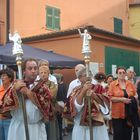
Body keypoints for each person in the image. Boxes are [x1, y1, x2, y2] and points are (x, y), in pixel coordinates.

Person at [0, 58, 53, 140]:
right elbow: (4, 103)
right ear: (24, 71)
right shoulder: (15, 85)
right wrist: (15, 91)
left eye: (35, 68)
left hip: (36, 128)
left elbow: (47, 106)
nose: (33, 71)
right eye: (30, 68)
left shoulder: (43, 87)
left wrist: (28, 93)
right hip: (17, 128)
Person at [64, 68, 110, 140]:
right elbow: (75, 107)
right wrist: (83, 91)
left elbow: (106, 104)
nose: (88, 77)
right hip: (80, 126)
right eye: (85, 75)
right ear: (79, 78)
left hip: (96, 126)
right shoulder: (75, 90)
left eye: (90, 75)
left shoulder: (99, 88)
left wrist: (94, 96)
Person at [108, 66, 138, 140]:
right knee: (118, 135)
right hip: (117, 115)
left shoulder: (130, 84)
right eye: (120, 73)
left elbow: (136, 94)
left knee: (128, 135)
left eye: (123, 72)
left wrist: (133, 99)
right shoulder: (112, 84)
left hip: (129, 115)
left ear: (125, 74)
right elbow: (110, 97)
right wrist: (122, 99)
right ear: (117, 74)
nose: (122, 74)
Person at [38, 65, 58, 140]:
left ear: (48, 73)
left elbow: (51, 96)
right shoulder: (36, 84)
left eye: (45, 72)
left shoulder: (52, 84)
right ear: (39, 74)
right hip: (39, 112)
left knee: (51, 133)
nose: (43, 74)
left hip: (50, 111)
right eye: (41, 72)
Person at [0, 68, 14, 140]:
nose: (2, 78)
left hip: (10, 121)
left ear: (10, 77)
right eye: (1, 76)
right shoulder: (0, 89)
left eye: (4, 76)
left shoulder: (14, 90)